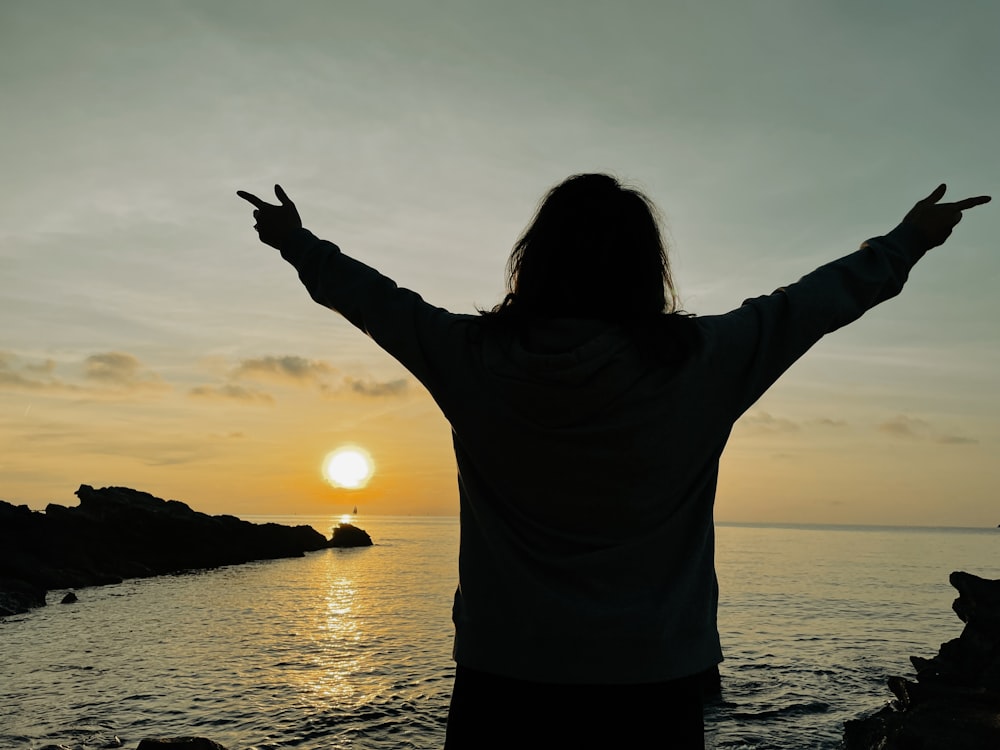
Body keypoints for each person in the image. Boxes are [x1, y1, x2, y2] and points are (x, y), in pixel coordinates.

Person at [238, 175, 989, 748]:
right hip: (653, 675)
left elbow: (374, 299)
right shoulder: (704, 362)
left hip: (505, 672)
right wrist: (909, 238)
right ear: (646, 267)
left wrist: (297, 242)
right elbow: (812, 302)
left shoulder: (471, 358)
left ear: (533, 261)